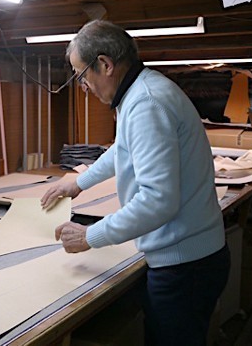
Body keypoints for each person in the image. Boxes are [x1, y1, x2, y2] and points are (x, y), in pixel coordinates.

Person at [41, 20, 229, 346]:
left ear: (105, 64)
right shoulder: (142, 91)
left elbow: (158, 200)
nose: (83, 86)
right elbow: (123, 149)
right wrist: (78, 183)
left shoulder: (146, 104)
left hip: (185, 267)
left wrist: (89, 236)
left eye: (82, 75)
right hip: (192, 258)